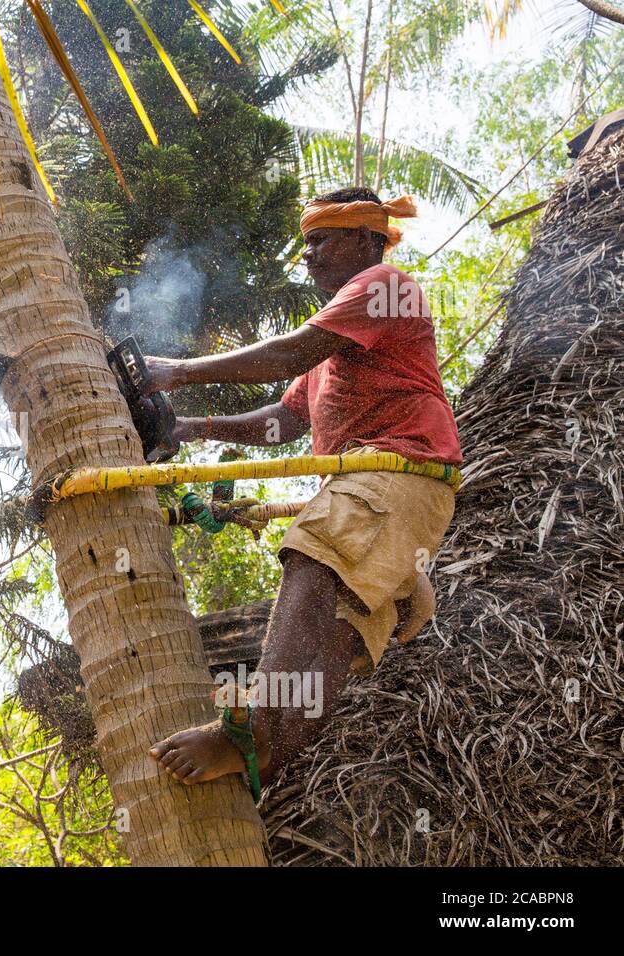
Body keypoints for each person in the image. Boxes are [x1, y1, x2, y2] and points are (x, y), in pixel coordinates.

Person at [143, 187, 462, 790]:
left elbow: (293, 351)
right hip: (392, 493)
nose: (308, 255)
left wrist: (179, 371)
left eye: (320, 239)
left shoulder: (384, 287)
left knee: (311, 557)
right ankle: (269, 763)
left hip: (397, 472)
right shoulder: (337, 342)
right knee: (332, 640)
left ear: (368, 238)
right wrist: (188, 426)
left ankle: (253, 727)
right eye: (306, 242)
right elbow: (282, 423)